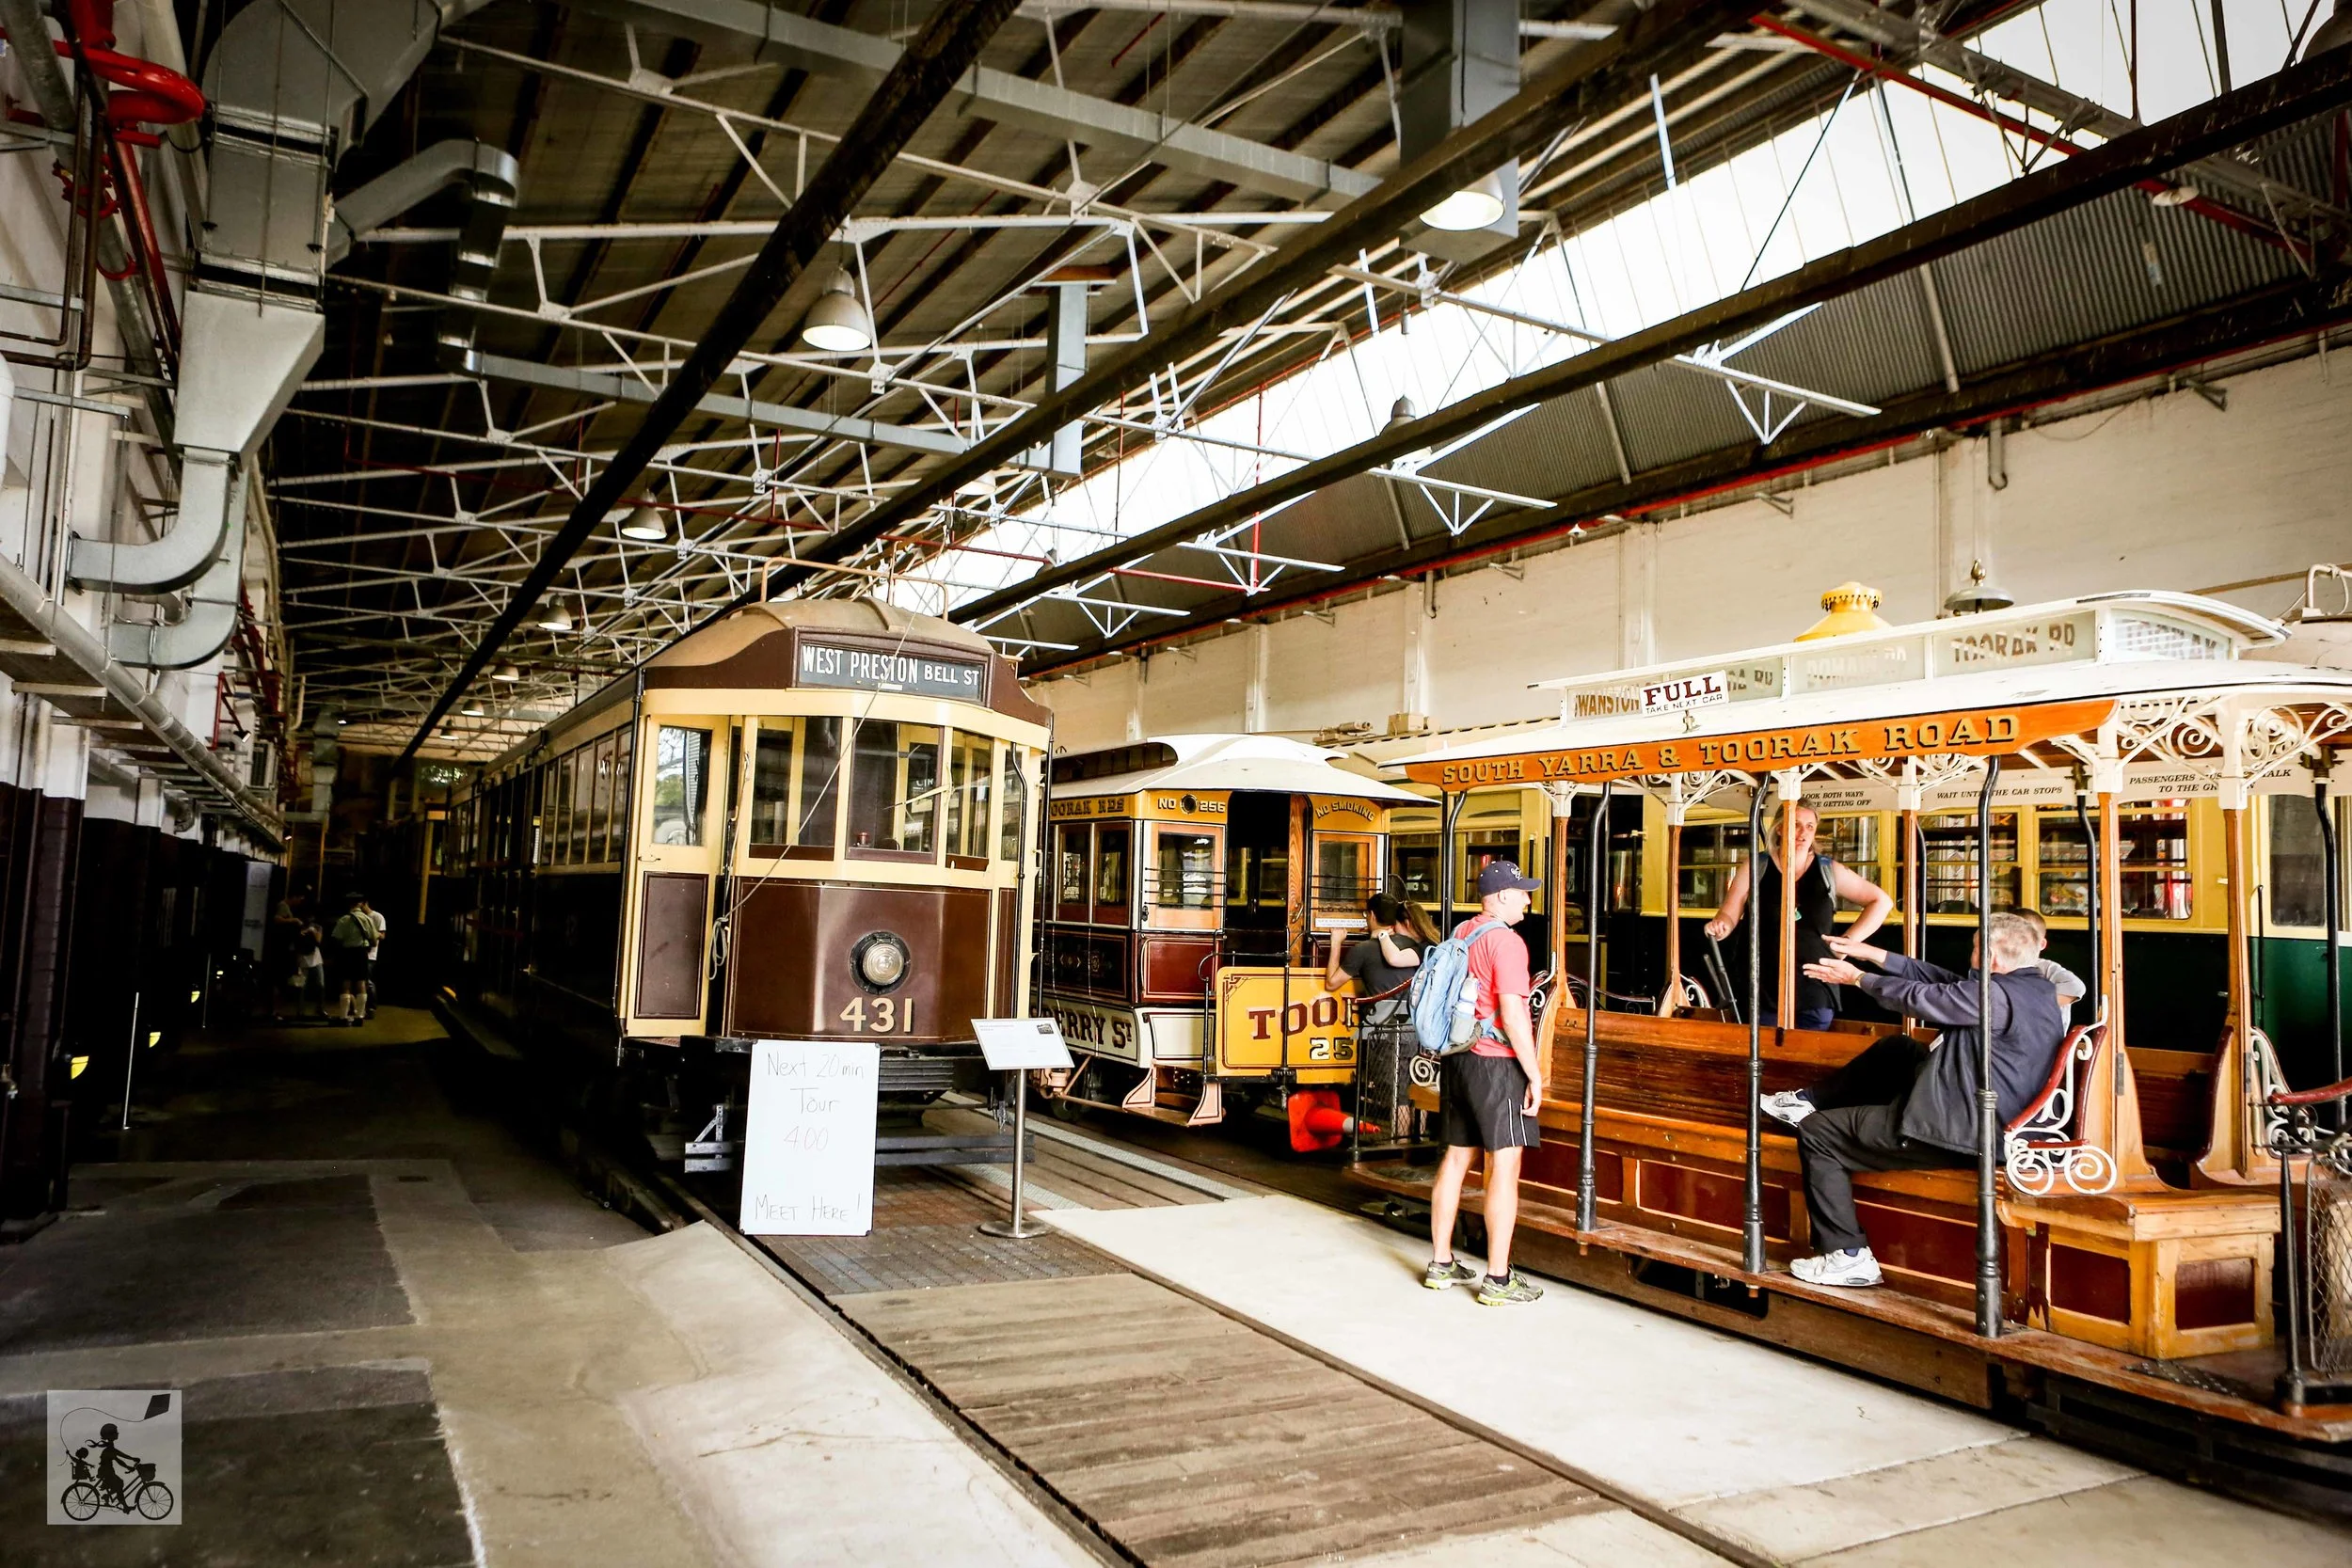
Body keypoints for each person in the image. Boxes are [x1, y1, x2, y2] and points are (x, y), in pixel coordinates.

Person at [1767, 912, 2066, 1288]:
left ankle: (1847, 1254)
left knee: (1817, 1131)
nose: (1971, 956)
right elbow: (1940, 980)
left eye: (1975, 948)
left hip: (1968, 1131)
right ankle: (1804, 1101)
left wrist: (1857, 978)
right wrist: (1872, 954)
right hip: (1992, 1118)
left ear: (1990, 957)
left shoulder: (1992, 997)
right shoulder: (2035, 989)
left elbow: (1920, 997)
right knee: (1901, 1050)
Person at [1424, 860, 1547, 1307]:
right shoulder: (1508, 943)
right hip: (1497, 1065)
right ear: (1501, 897)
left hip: (1459, 1061)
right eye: (1522, 893)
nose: (1528, 901)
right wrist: (1533, 1074)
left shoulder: (1462, 932)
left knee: (1456, 1158)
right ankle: (1498, 1278)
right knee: (1504, 1166)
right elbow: (1513, 1016)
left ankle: (1441, 1263)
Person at [1703, 803, 1894, 1031]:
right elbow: (1729, 912)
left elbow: (1882, 902)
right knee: (1765, 1047)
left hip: (1816, 988)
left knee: (1809, 1045)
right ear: (1780, 828)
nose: (1803, 833)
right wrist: (1721, 925)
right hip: (1761, 985)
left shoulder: (1828, 869)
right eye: (1796, 825)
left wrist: (1847, 944)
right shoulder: (1756, 866)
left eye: (1810, 827)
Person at [1326, 893, 1437, 1018]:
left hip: (1378, 1022)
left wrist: (1336, 942)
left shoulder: (1362, 949)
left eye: (1366, 915)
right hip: (1412, 1020)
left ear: (1372, 915)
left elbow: (1331, 984)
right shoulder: (1417, 945)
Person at [2015, 909, 2089, 1022]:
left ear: (2041, 944)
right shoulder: (1999, 967)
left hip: (2045, 1031)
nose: (2015, 946)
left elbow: (2076, 987)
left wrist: (2031, 1004)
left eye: (2025, 941)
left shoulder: (2045, 968)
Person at [327, 895, 375, 1026]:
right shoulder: (367, 919)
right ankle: (359, 1017)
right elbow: (374, 939)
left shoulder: (344, 919)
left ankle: (343, 1017)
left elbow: (336, 938)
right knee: (361, 983)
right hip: (361, 953)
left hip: (347, 953)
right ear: (360, 903)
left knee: (346, 983)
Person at [93, 1422, 142, 1508]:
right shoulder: (110, 1448)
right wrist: (131, 1460)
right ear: (110, 1435)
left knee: (119, 1483)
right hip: (106, 1471)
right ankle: (123, 1506)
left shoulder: (110, 1446)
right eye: (115, 1432)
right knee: (119, 1484)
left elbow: (117, 1458)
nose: (118, 1433)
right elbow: (119, 1456)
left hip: (107, 1470)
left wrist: (129, 1464)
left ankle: (110, 1498)